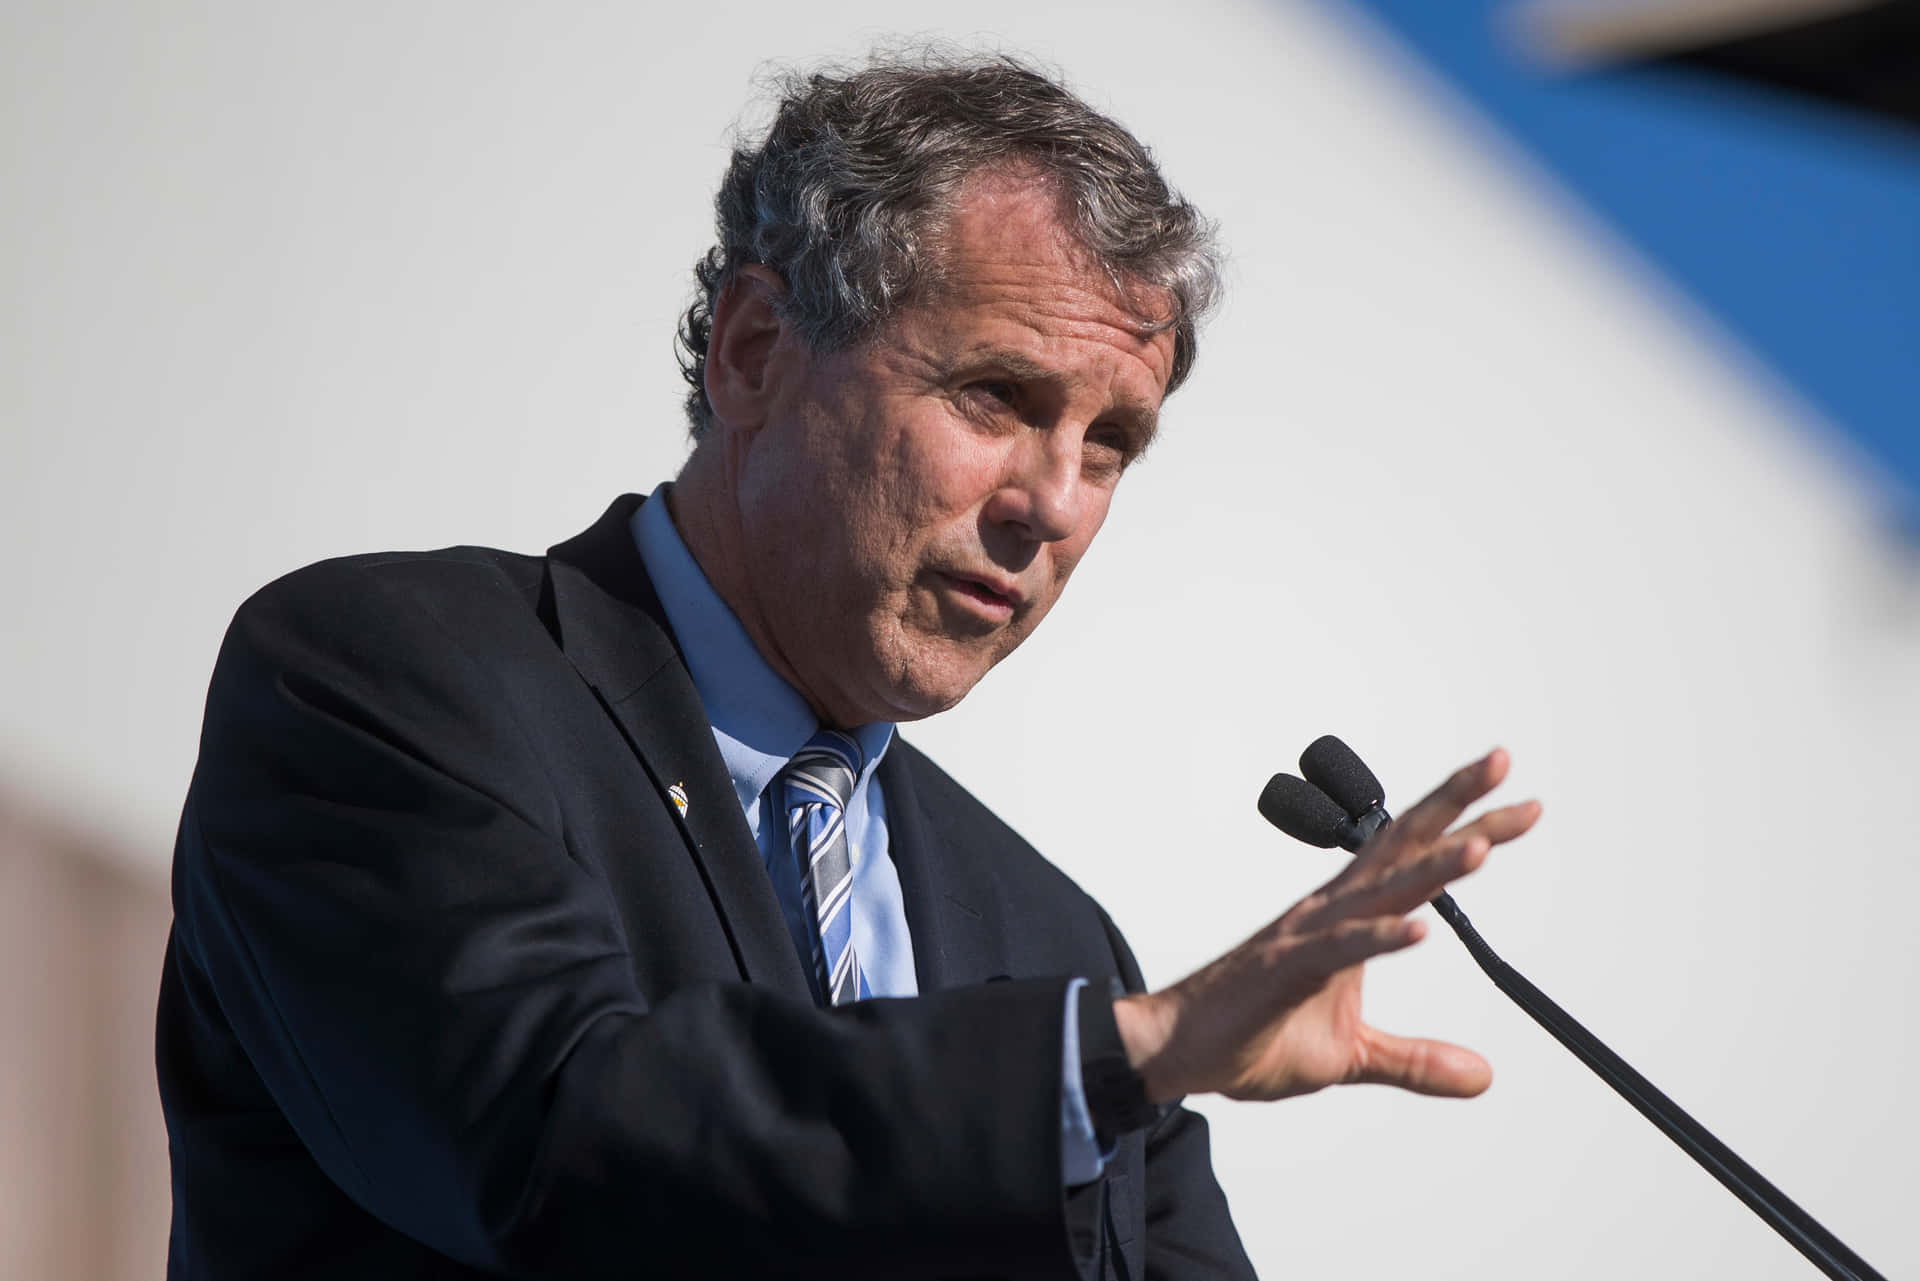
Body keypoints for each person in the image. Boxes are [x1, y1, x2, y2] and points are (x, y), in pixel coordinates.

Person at [156, 51, 1539, 1280]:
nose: (1054, 501)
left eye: (1110, 444)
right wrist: (1110, 1059)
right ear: (757, 352)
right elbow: (557, 1143)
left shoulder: (1046, 935)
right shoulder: (386, 680)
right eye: (998, 396)